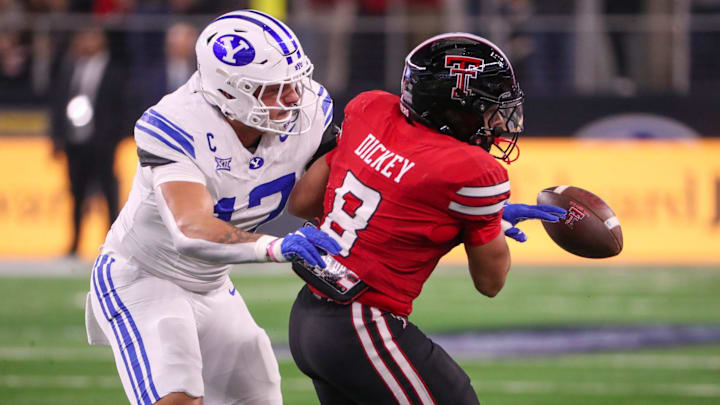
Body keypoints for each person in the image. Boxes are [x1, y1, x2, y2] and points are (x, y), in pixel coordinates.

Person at [286, 33, 567, 404]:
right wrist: (488, 223)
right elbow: (491, 282)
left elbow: (304, 202)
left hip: (308, 315)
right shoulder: (474, 171)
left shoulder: (370, 109)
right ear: (454, 108)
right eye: (488, 107)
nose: (498, 119)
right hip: (362, 323)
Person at [84, 10, 340, 405]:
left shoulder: (308, 107)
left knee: (258, 397)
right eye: (273, 88)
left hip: (212, 283)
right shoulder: (176, 123)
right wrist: (274, 246)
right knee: (179, 397)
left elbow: (315, 198)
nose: (293, 97)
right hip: (144, 276)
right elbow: (190, 228)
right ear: (229, 91)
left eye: (294, 81)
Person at [50, 27, 129, 256]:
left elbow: (121, 105)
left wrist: (113, 137)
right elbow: (58, 103)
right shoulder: (70, 68)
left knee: (108, 193)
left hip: (102, 143)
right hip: (76, 142)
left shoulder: (115, 71)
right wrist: (58, 138)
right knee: (76, 193)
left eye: (90, 36)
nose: (85, 42)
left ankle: (114, 245)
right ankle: (74, 244)